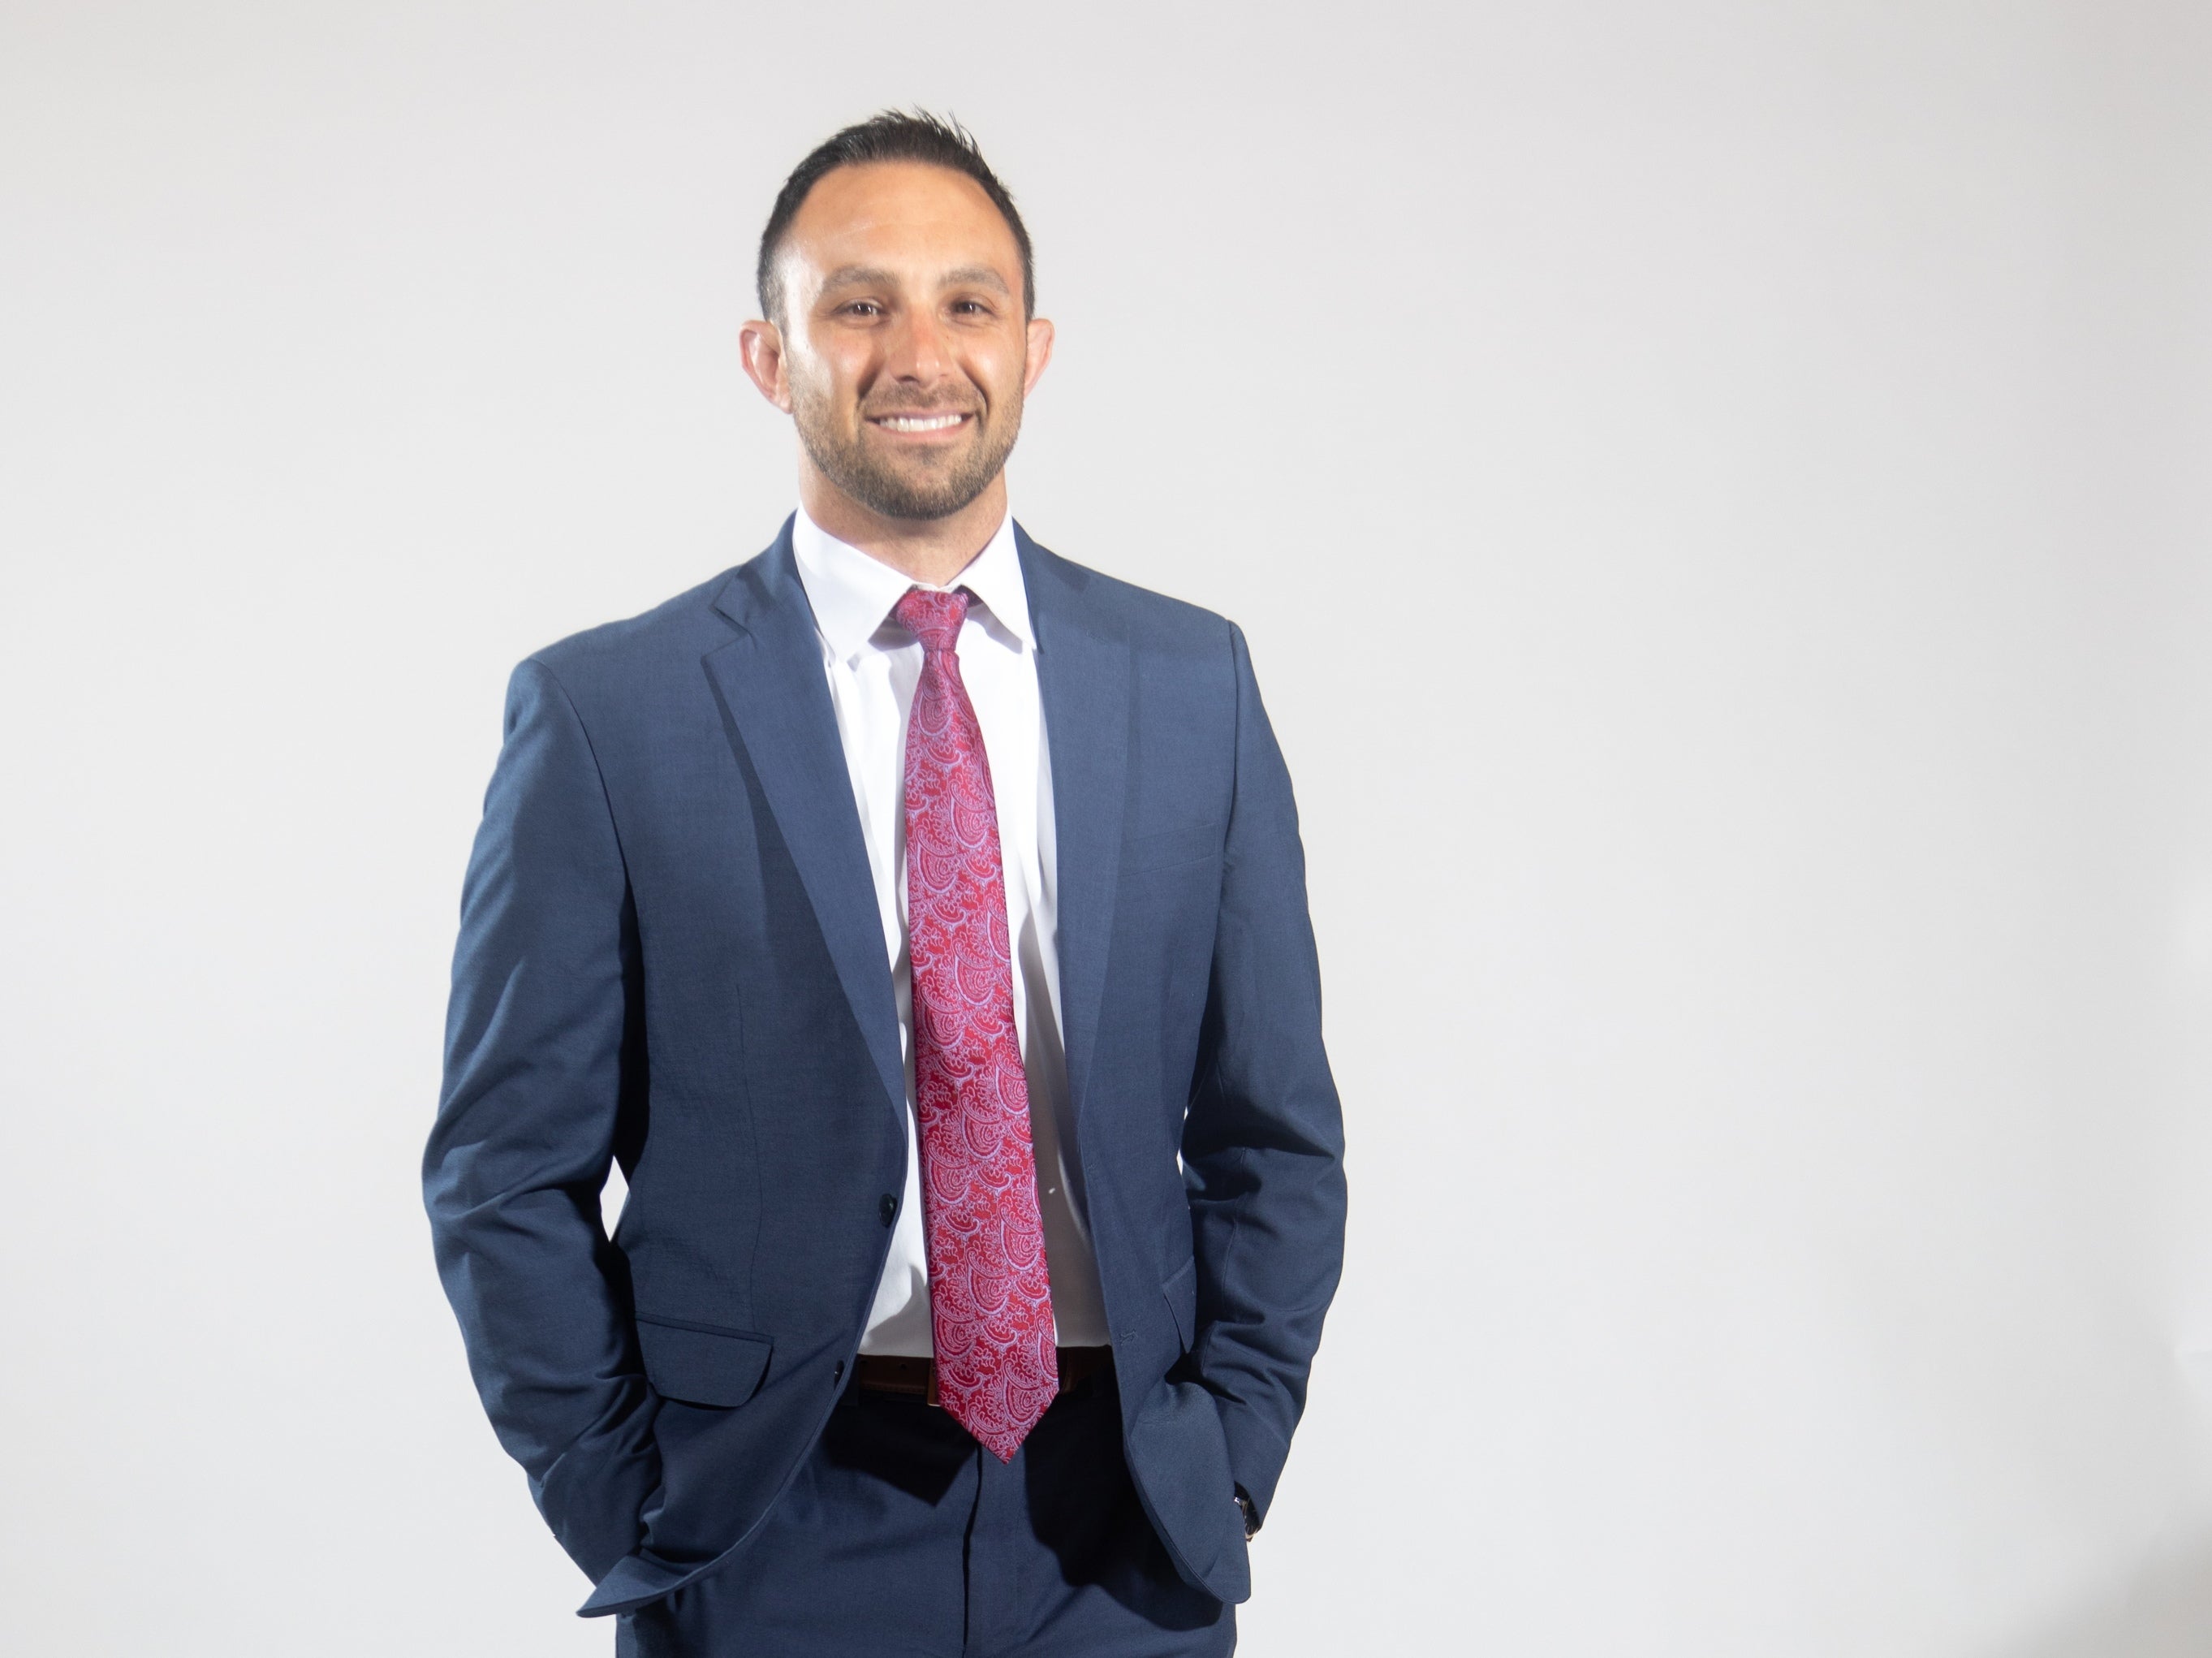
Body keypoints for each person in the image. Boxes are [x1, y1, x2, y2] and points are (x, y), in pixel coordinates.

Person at [423, 110, 1347, 1657]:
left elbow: (1274, 1133)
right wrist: (623, 1495)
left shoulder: (1190, 683)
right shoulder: (610, 713)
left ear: (1034, 347)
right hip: (766, 1519)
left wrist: (1229, 1455)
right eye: (859, 304)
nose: (920, 352)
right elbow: (504, 1168)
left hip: (1122, 1527)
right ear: (768, 353)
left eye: (966, 302)